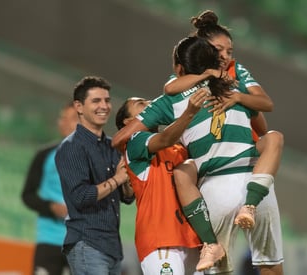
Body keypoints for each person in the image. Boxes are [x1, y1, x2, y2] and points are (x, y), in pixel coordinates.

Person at [112, 35, 282, 274]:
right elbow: (263, 121)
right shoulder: (141, 142)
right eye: (141, 104)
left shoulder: (177, 133)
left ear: (179, 67)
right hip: (164, 239)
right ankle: (247, 208)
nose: (148, 103)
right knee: (271, 264)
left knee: (184, 174)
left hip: (195, 229)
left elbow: (169, 93)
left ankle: (212, 243)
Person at [164, 10, 285, 275]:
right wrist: (209, 76)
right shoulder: (189, 78)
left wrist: (238, 98)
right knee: (184, 171)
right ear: (203, 48)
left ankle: (250, 204)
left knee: (273, 138)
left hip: (246, 158)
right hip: (216, 168)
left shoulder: (235, 72)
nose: (226, 56)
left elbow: (265, 106)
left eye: (230, 50)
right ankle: (212, 235)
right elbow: (170, 87)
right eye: (220, 49)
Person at [115, 91, 214, 274]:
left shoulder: (179, 146)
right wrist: (189, 112)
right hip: (160, 239)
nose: (151, 103)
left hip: (192, 239)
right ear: (129, 123)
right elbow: (165, 138)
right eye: (141, 103)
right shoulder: (134, 142)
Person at [55, 76, 134, 275]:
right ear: (79, 106)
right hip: (87, 244)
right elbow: (82, 197)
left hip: (113, 247)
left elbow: (127, 197)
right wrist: (117, 179)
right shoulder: (71, 147)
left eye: (107, 100)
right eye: (96, 101)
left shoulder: (113, 145)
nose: (104, 106)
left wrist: (127, 177)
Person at [21, 102, 78, 275]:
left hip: (81, 242)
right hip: (49, 238)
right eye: (63, 117)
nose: (65, 123)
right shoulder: (44, 155)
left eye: (73, 119)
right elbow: (28, 195)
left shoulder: (96, 158)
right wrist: (51, 207)